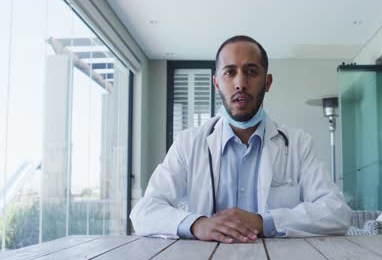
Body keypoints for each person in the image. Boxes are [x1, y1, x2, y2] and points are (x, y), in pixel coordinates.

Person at [130, 35, 351, 243]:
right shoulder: (188, 143)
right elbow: (144, 212)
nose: (240, 83)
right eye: (230, 72)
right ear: (216, 83)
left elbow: (336, 212)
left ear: (267, 82)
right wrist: (197, 224)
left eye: (251, 71)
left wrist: (263, 222)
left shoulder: (298, 144)